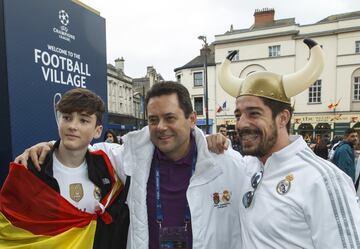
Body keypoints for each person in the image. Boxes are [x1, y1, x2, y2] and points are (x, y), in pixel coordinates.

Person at [15, 82, 245, 249]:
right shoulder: (130, 156)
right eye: (153, 120)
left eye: (170, 117)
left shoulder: (225, 162)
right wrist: (45, 146)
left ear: (192, 119)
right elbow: (82, 148)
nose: (160, 126)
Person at [214, 38, 360, 248]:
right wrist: (210, 141)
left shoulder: (323, 179)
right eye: (238, 115)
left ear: (283, 118)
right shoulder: (249, 166)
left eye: (254, 113)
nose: (242, 124)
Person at [0, 88, 129, 248]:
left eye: (83, 120)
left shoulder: (108, 170)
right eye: (67, 118)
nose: (72, 126)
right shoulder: (30, 169)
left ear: (98, 131)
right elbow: (8, 232)